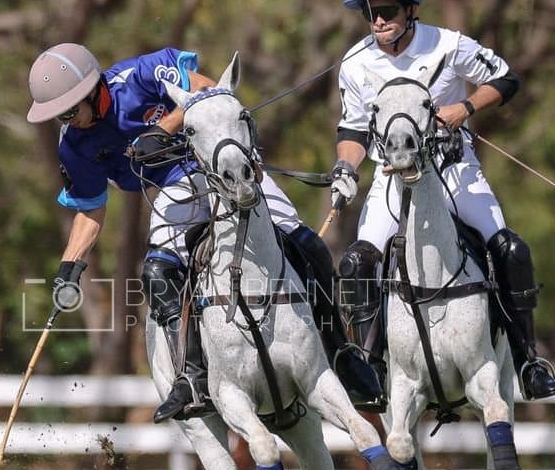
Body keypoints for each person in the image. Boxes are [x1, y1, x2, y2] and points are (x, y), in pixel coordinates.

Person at [26, 43, 384, 422]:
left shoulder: (142, 75)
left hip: (222, 160)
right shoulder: (75, 146)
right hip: (173, 186)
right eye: (59, 115)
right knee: (157, 272)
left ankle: (342, 352)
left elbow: (211, 91)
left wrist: (163, 127)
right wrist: (69, 266)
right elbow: (90, 208)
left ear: (93, 89)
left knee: (304, 241)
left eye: (69, 110)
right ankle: (192, 378)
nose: (67, 120)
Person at [328, 0, 555, 400]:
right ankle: (371, 367)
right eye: (370, 12)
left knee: (510, 248)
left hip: (455, 173)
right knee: (357, 263)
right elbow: (353, 131)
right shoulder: (355, 63)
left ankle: (529, 359)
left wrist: (465, 108)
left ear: (410, 10)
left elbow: (506, 78)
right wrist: (345, 168)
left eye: (388, 11)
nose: (378, 21)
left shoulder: (449, 46)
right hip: (391, 180)